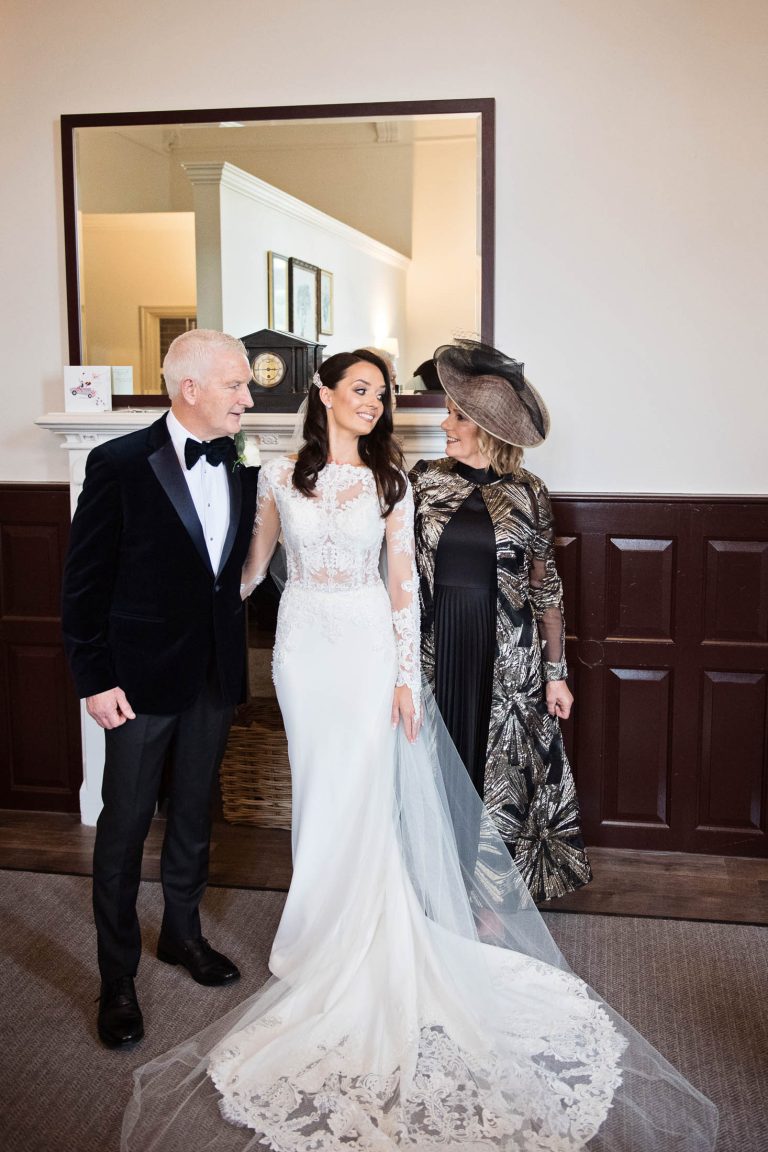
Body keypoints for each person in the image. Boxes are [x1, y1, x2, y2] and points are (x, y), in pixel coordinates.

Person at [122, 349, 716, 1152]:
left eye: (382, 393)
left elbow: (428, 581)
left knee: (377, 788)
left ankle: (386, 925)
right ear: (324, 394)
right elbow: (252, 569)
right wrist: (183, 611)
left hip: (399, 648)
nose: (378, 404)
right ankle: (313, 928)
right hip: (307, 649)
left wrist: (419, 676)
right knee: (319, 789)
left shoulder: (422, 485)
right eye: (360, 390)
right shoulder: (302, 478)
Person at [61, 329, 259, 1049]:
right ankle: (116, 978)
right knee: (122, 829)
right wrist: (94, 677)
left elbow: (230, 572)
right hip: (136, 682)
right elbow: (82, 585)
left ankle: (182, 933)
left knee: (195, 814)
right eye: (236, 385)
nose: (248, 396)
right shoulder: (118, 464)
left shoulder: (241, 459)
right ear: (191, 389)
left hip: (211, 674)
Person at [409, 340, 591, 904]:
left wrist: (555, 674)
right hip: (438, 649)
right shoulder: (423, 481)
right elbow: (396, 577)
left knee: (501, 773)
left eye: (457, 416)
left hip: (505, 656)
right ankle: (439, 887)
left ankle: (489, 897)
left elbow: (545, 589)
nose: (445, 423)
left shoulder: (529, 494)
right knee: (441, 763)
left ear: (487, 430)